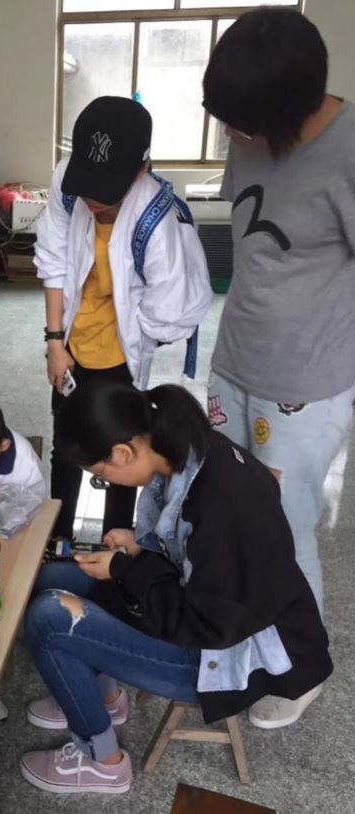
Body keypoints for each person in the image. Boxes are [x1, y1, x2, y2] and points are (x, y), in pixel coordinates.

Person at [20, 380, 331, 795]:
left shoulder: (220, 505)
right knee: (53, 578)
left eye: (100, 475)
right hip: (207, 608)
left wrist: (128, 570)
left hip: (226, 656)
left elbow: (205, 625)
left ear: (123, 452)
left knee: (50, 621)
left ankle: (102, 763)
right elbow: (191, 557)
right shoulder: (191, 448)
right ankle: (100, 699)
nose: (106, 482)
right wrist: (136, 547)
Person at [203, 9, 354, 658]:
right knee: (220, 509)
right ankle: (233, 634)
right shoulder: (249, 129)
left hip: (304, 383)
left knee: (285, 528)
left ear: (291, 109)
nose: (233, 136)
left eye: (244, 125)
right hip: (232, 361)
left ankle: (299, 660)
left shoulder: (347, 151)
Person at [34, 96, 212, 541]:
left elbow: (168, 314)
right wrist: (56, 342)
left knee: (120, 453)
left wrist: (129, 333)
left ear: (142, 168)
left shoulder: (156, 219)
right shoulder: (67, 181)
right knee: (67, 445)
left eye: (106, 187)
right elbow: (54, 258)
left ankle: (116, 544)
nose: (92, 199)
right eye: (87, 183)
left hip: (122, 356)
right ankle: (57, 540)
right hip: (73, 343)